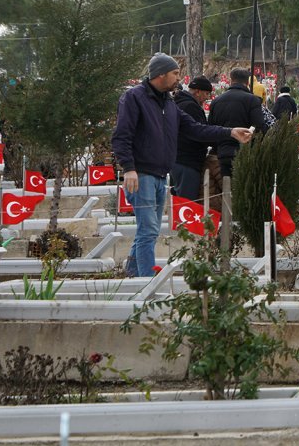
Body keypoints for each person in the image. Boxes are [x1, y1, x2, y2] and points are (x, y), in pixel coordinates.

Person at [112, 54, 251, 278]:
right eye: (175, 73)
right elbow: (121, 136)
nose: (179, 78)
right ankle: (147, 280)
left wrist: (230, 132)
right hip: (142, 174)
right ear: (161, 74)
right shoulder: (134, 98)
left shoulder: (169, 103)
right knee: (148, 230)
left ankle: (132, 273)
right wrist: (129, 168)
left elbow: (196, 128)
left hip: (159, 175)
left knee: (149, 230)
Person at [208, 68, 269, 178]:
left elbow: (210, 129)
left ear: (231, 80)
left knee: (226, 188)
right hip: (246, 152)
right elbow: (259, 126)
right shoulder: (252, 100)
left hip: (223, 152)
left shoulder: (216, 101)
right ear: (247, 82)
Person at [171, 76, 215, 201]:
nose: (207, 97)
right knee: (187, 203)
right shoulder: (190, 107)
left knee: (181, 199)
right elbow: (199, 132)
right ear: (197, 91)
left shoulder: (181, 103)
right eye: (206, 93)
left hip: (179, 159)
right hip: (188, 161)